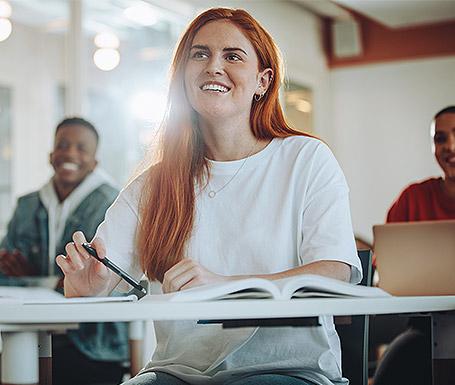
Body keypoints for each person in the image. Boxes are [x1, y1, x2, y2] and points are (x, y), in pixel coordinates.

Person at [57, 8, 362, 385]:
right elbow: (105, 275)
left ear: (262, 81)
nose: (213, 66)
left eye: (232, 56)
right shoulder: (154, 185)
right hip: (173, 372)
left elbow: (336, 271)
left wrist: (226, 285)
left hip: (286, 369)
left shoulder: (305, 159)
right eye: (199, 55)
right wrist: (88, 290)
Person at [0, 117, 128, 385]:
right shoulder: (26, 206)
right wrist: (56, 281)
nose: (70, 152)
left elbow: (106, 284)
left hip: (93, 344)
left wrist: (34, 278)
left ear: (95, 161)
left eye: (81, 147)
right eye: (63, 145)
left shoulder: (113, 205)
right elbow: (5, 277)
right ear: (51, 155)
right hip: (29, 334)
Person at [373, 106, 455, 385]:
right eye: (440, 138)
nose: (450, 146)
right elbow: (384, 262)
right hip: (425, 328)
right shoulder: (413, 198)